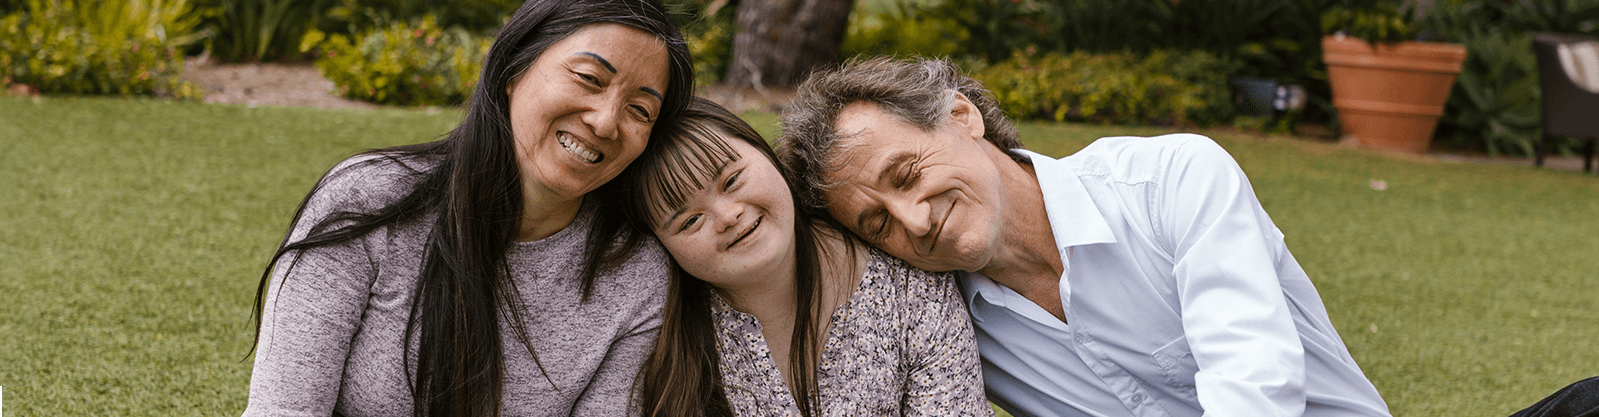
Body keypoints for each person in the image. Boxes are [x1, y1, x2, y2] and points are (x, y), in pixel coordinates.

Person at [778, 57, 1392, 416]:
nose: (913, 221)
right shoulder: (946, 324)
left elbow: (1256, 392)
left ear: (961, 116)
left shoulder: (1169, 180)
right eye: (878, 223)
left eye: (907, 174)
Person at [242, 0, 693, 415]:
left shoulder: (634, 273)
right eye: (590, 79)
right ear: (513, 70)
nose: (605, 121)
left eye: (639, 110)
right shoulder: (369, 198)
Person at [622, 97, 992, 416]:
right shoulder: (657, 336)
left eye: (732, 181)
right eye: (690, 221)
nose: (727, 216)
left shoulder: (908, 286)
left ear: (767, 157)